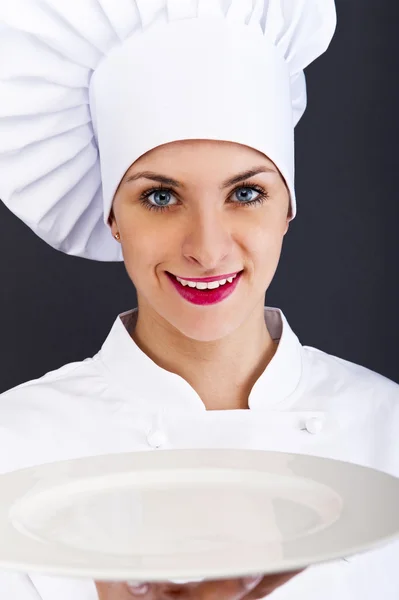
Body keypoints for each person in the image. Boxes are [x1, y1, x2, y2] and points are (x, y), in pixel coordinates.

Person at [0, 1, 398, 599]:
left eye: (246, 192)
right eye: (161, 197)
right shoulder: (15, 448)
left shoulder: (388, 432)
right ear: (112, 216)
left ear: (287, 207)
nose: (207, 249)